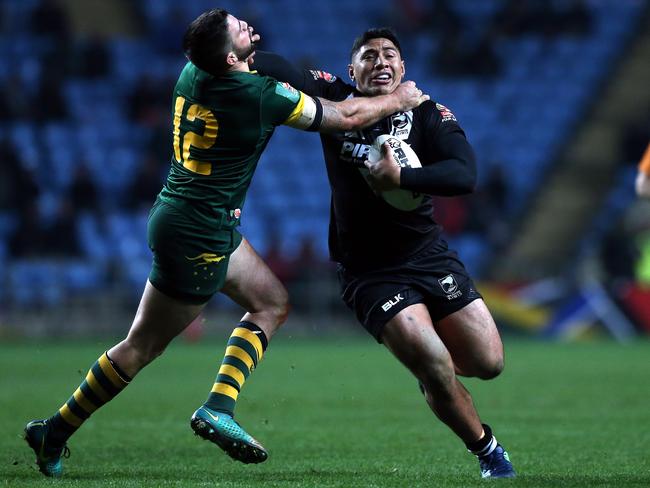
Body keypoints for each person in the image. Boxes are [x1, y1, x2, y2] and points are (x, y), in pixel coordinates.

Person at [23, 10, 429, 478]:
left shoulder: (195, 70)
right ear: (234, 57)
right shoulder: (255, 94)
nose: (251, 27)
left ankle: (70, 428)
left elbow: (259, 67)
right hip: (201, 232)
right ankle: (68, 427)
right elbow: (343, 117)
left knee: (272, 302)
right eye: (241, 30)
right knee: (143, 346)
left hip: (184, 214)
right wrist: (399, 98)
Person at [253, 28, 516, 479]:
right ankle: (487, 450)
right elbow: (279, 70)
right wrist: (242, 52)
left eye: (390, 55)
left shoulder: (428, 112)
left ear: (404, 69)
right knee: (435, 364)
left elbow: (464, 173)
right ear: (351, 69)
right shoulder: (335, 96)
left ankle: (430, 375)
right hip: (371, 271)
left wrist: (402, 180)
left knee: (488, 363)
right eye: (368, 56)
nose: (380, 62)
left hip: (429, 256)